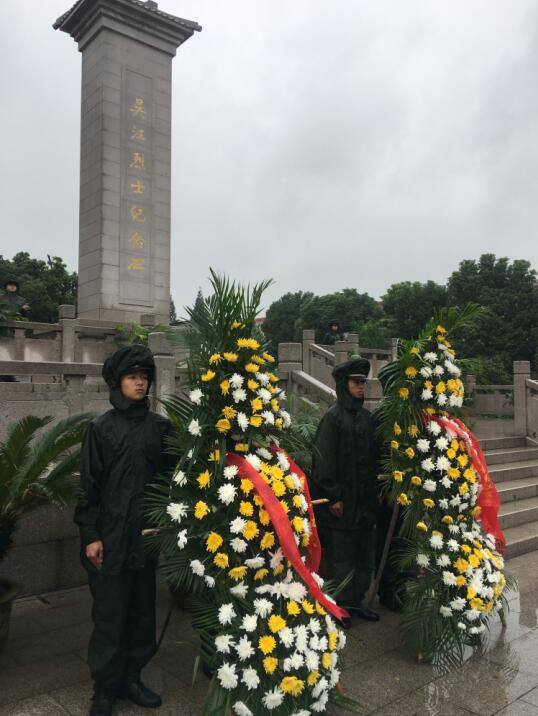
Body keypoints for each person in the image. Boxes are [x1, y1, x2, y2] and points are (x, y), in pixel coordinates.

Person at [75, 344, 175, 716]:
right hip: (110, 539)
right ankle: (104, 686)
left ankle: (132, 677)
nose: (141, 383)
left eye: (145, 377)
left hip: (145, 539)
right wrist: (91, 535)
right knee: (110, 615)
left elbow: (171, 478)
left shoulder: (161, 428)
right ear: (118, 382)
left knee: (141, 612)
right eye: (133, 377)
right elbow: (89, 488)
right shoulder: (100, 429)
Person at [310, 357, 380, 625]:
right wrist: (334, 496)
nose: (361, 387)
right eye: (356, 382)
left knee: (364, 556)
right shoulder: (332, 419)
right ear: (343, 384)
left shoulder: (367, 419)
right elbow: (322, 462)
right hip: (341, 505)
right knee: (342, 559)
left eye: (363, 382)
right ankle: (337, 606)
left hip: (365, 504)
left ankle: (356, 602)